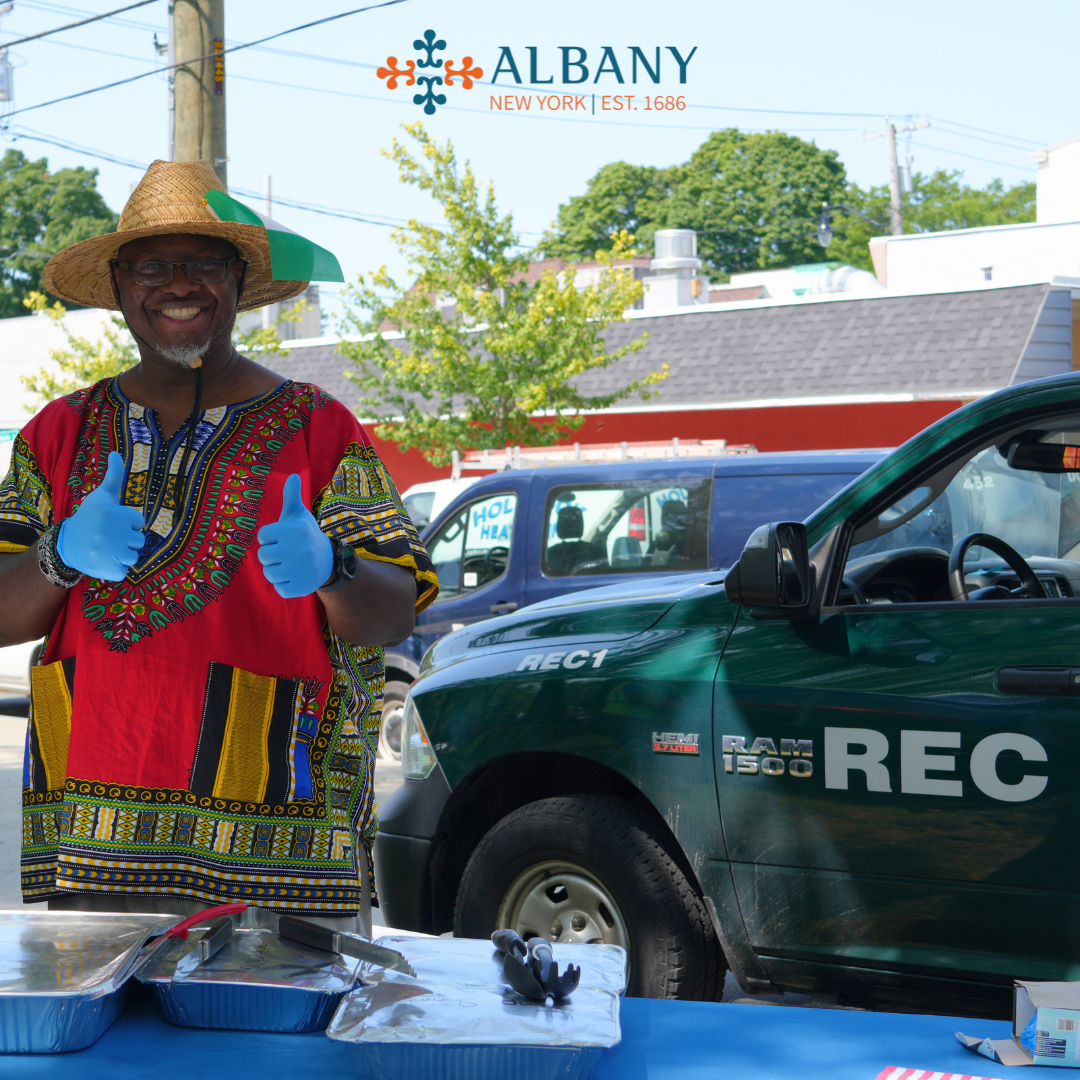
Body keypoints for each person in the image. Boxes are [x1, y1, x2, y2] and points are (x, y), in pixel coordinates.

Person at [0, 159, 438, 935]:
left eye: (204, 262)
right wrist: (57, 554)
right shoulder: (56, 433)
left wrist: (333, 567)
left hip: (284, 849)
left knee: (279, 1056)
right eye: (153, 265)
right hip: (95, 846)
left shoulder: (320, 429)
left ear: (239, 281)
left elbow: (393, 616)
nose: (179, 283)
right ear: (120, 284)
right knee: (113, 1055)